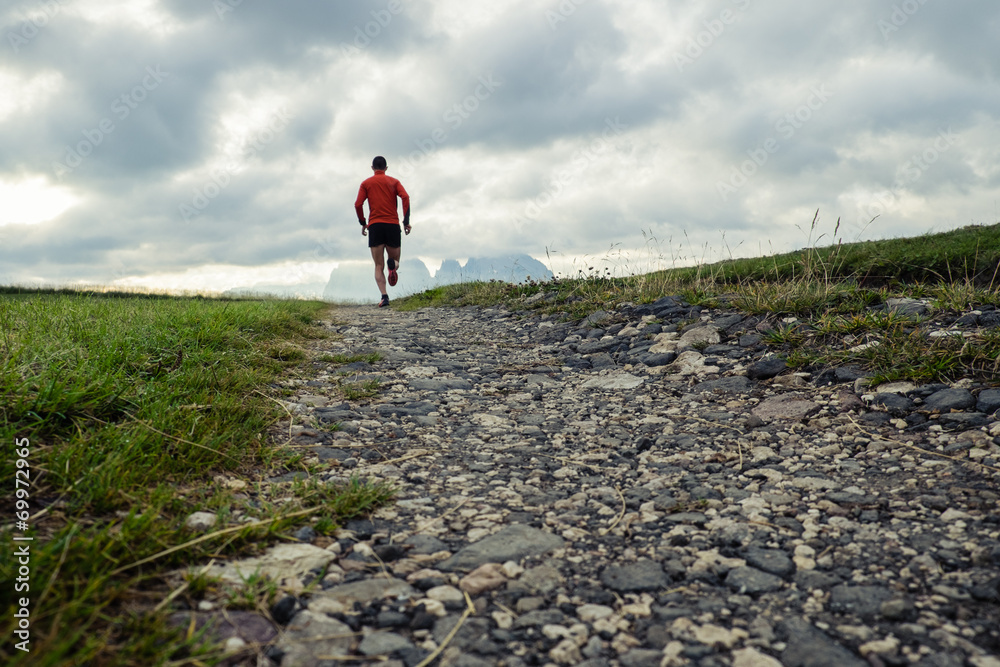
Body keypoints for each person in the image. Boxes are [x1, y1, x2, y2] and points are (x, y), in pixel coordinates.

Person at [355, 156, 411, 307]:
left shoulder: (366, 184)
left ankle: (384, 297)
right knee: (395, 260)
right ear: (386, 168)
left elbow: (358, 204)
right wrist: (406, 221)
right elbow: (405, 197)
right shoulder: (394, 182)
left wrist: (363, 222)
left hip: (375, 226)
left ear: (372, 168)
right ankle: (393, 266)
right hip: (392, 225)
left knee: (378, 265)